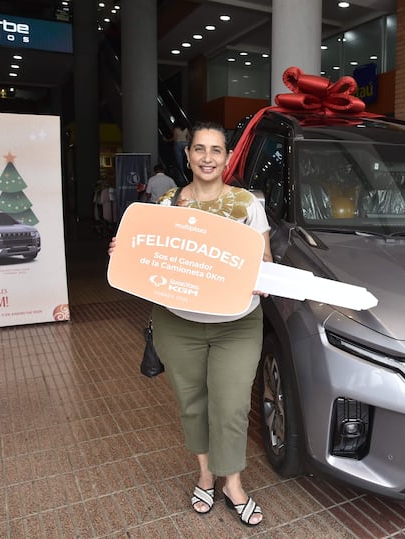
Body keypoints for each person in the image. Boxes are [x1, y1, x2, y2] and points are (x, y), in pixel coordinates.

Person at [108, 121, 271, 527]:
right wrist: (124, 249)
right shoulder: (165, 206)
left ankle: (232, 481)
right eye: (200, 149)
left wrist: (263, 280)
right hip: (177, 323)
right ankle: (204, 473)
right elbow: (146, 255)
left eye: (217, 150)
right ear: (188, 155)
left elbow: (263, 261)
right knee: (192, 403)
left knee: (231, 406)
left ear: (228, 157)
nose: (208, 157)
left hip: (237, 322)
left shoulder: (248, 204)